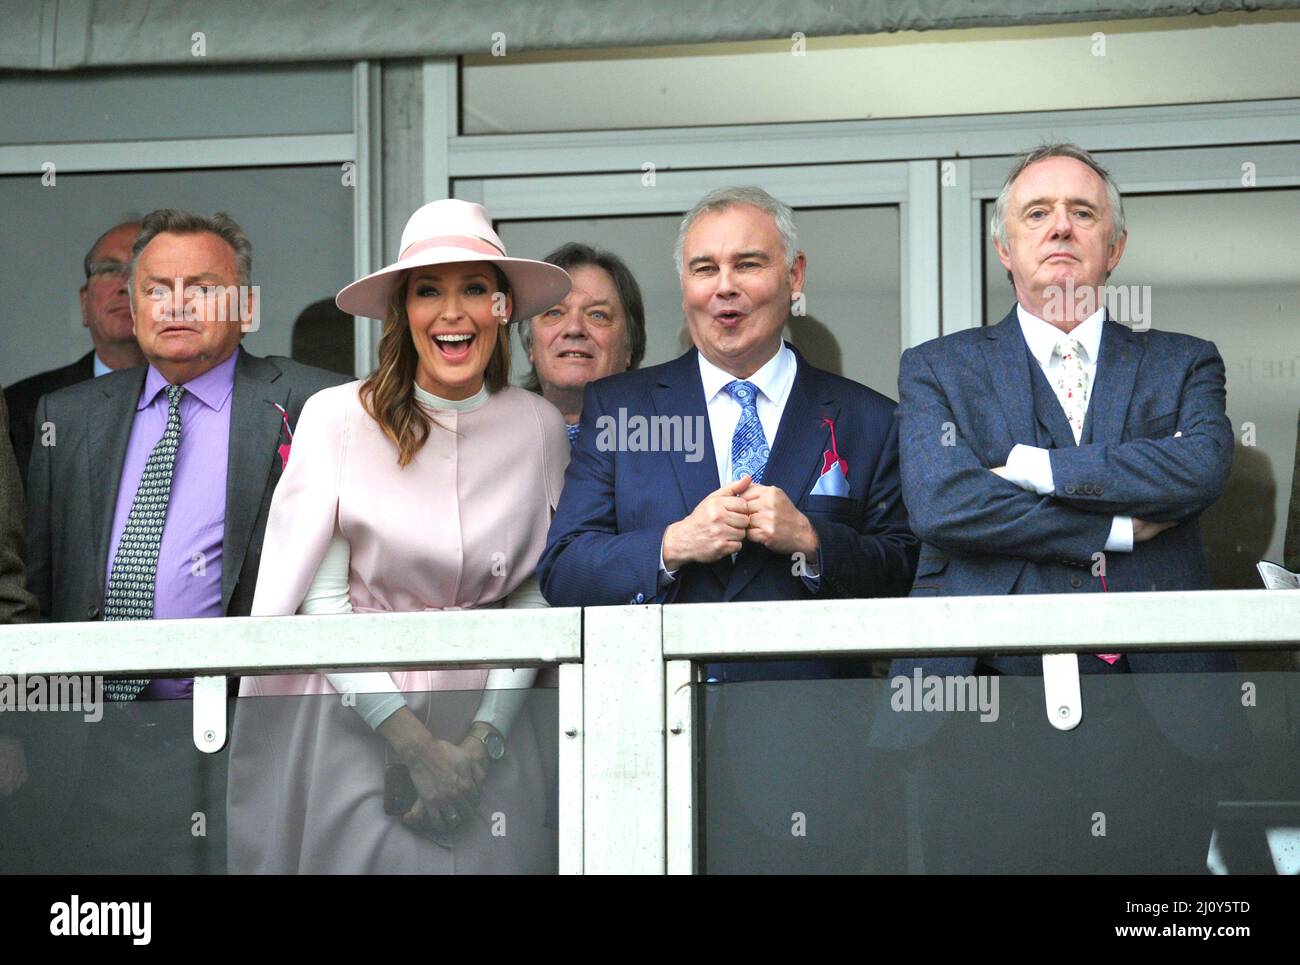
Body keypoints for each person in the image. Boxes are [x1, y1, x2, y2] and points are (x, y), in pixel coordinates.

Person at [538, 186, 917, 871]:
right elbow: (564, 568)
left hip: (814, 763)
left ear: (794, 278)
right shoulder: (620, 408)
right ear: (684, 285)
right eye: (704, 269)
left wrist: (812, 541)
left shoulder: (866, 418)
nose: (725, 289)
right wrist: (670, 544)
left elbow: (907, 572)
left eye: (748, 265)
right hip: (645, 747)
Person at [893, 143, 1241, 872]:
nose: (1060, 228)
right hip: (977, 709)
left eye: (1082, 213)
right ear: (1004, 248)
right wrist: (1113, 523)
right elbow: (941, 501)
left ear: (1114, 247)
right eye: (1038, 213)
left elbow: (1198, 466)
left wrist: (1031, 467)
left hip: (1158, 714)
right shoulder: (936, 367)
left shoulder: (1184, 361)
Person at [227, 199, 572, 874]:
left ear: (503, 309)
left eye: (476, 288)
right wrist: (412, 744)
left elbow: (536, 598)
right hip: (356, 728)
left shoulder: (539, 425)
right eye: (428, 291)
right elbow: (319, 603)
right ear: (401, 311)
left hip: (493, 738)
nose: (453, 312)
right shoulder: (336, 418)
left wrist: (480, 743)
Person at [22, 209, 348, 872]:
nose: (176, 305)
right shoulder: (67, 417)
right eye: (156, 288)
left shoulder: (317, 403)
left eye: (201, 287)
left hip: (239, 736)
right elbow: (39, 585)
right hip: (89, 747)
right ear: (133, 305)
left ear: (246, 304)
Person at [5, 221, 145, 483]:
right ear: (84, 303)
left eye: (142, 270)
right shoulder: (19, 409)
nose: (125, 285)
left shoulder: (208, 401)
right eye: (109, 269)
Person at [518, 242, 646, 444]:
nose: (574, 328)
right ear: (531, 344)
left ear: (630, 345)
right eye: (554, 313)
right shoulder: (494, 445)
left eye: (598, 315)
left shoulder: (666, 442)